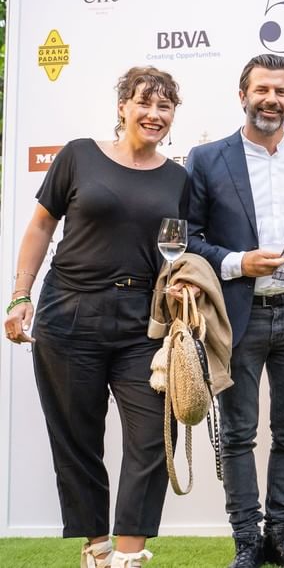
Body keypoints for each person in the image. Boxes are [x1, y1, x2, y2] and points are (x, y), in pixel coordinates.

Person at [3, 67, 189, 568]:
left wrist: (183, 283)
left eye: (165, 106)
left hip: (141, 323)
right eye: (145, 102)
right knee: (77, 436)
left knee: (154, 436)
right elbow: (41, 226)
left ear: (173, 117)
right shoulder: (78, 155)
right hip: (70, 310)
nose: (154, 114)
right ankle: (97, 550)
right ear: (123, 106)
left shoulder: (178, 178)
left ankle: (128, 557)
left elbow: (178, 249)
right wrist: (21, 297)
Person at [186, 54, 284, 568]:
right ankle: (246, 539)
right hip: (234, 314)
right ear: (242, 95)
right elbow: (186, 239)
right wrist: (237, 262)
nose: (271, 100)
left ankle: (282, 537)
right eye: (261, 90)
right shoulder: (206, 158)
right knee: (237, 433)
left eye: (281, 92)